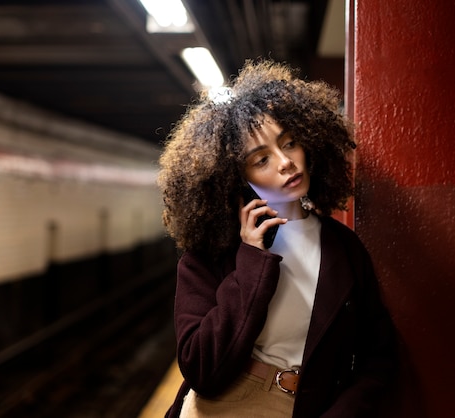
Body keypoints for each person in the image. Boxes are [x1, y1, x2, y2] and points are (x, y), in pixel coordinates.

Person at [157, 59, 397, 418]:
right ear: (234, 177)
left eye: (290, 142)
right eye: (261, 159)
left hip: (309, 406)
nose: (285, 162)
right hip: (222, 407)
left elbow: (378, 356)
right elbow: (201, 368)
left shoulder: (344, 248)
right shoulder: (211, 255)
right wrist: (251, 259)